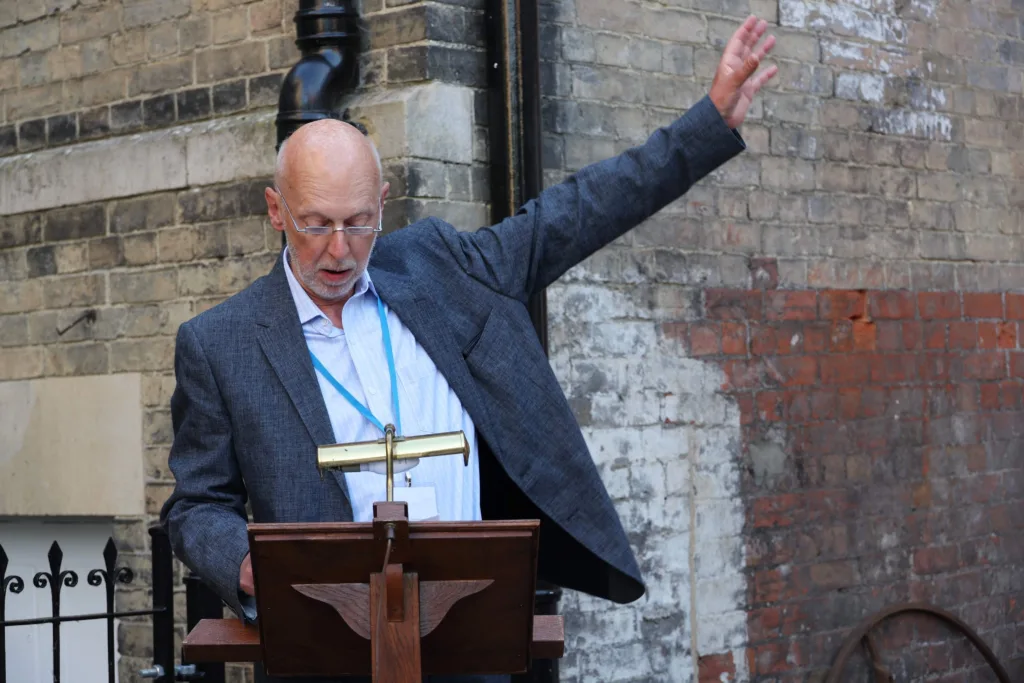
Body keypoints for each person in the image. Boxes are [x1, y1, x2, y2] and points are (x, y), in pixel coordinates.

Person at [160, 15, 778, 683]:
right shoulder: (219, 343)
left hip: (473, 644)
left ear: (384, 203)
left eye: (359, 222)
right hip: (324, 653)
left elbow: (574, 213)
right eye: (315, 225)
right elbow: (196, 504)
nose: (339, 250)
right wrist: (247, 565)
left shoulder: (444, 270)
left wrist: (707, 123)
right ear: (277, 210)